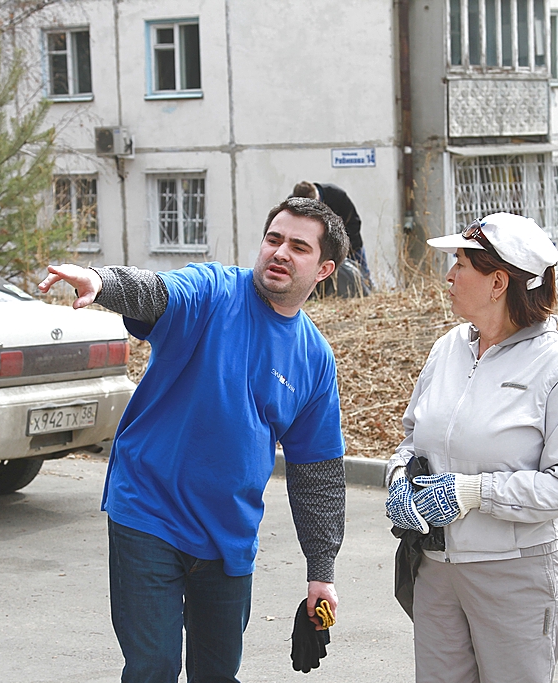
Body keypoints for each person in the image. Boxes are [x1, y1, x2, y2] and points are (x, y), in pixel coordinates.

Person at [38, 197, 349, 683]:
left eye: (298, 246)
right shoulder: (214, 291)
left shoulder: (314, 358)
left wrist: (321, 573)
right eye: (273, 239)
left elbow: (318, 476)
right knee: (153, 667)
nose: (280, 252)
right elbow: (157, 292)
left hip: (229, 535)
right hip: (149, 512)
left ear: (324, 268)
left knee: (218, 674)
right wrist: (102, 284)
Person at [384, 212, 558, 683]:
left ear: (498, 281)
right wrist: (399, 479)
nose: (450, 274)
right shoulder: (447, 349)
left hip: (513, 575)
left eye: (461, 263)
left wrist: (474, 492)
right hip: (436, 569)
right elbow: (410, 438)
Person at [292, 180, 371, 293]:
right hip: (318, 250)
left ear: (317, 195)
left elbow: (354, 222)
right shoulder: (293, 205)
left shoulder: (336, 195)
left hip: (351, 246)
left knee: (362, 276)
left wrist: (343, 248)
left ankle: (368, 294)